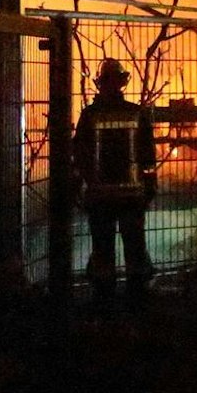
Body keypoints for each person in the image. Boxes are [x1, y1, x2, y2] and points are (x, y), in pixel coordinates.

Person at [72, 58, 157, 304]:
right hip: (132, 196)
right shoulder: (137, 113)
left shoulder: (89, 115)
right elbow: (147, 155)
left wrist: (78, 186)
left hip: (100, 197)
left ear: (100, 83)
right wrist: (149, 187)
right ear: (122, 82)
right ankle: (137, 297)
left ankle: (104, 298)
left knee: (102, 248)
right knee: (134, 246)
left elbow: (80, 154)